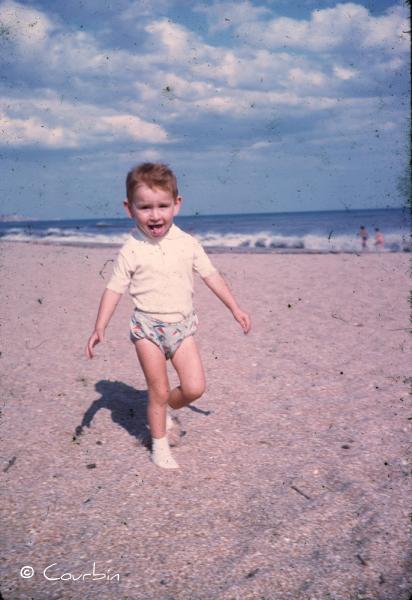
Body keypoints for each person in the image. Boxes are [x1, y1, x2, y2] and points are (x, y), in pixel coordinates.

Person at [86, 163, 251, 470]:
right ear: (129, 209)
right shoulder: (131, 249)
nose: (155, 215)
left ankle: (164, 409)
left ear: (177, 204)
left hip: (182, 328)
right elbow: (114, 289)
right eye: (145, 207)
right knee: (158, 390)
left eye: (162, 206)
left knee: (194, 388)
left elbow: (211, 275)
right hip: (147, 329)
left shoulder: (188, 243)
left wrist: (235, 308)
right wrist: (99, 326)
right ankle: (159, 445)